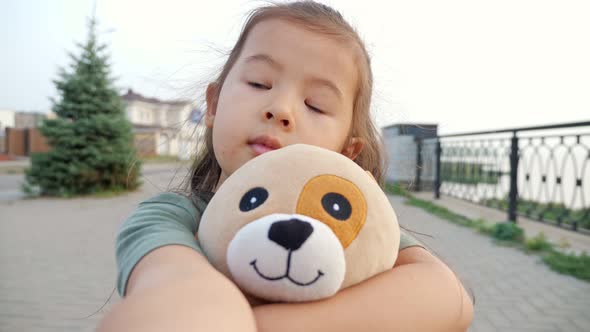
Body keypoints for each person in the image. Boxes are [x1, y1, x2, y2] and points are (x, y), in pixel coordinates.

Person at [98, 1, 474, 331]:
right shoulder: (170, 219)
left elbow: (448, 296)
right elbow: (177, 292)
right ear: (213, 104)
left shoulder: (356, 228)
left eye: (315, 105)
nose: (280, 109)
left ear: (347, 153)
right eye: (260, 83)